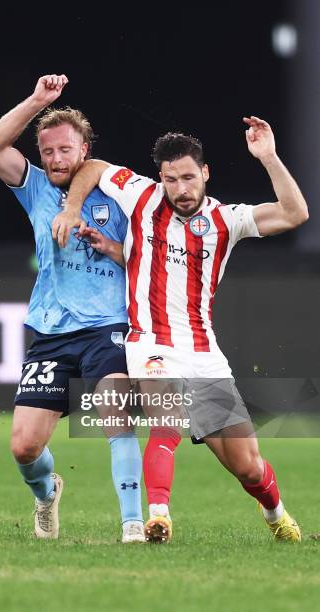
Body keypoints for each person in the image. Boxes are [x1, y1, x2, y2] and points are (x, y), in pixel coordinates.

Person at [52, 115, 308, 543]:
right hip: (149, 344)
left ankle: (277, 514)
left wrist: (269, 158)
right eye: (171, 179)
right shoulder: (141, 196)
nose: (181, 188)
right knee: (166, 423)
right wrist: (72, 208)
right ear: (161, 178)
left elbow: (295, 213)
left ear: (205, 173)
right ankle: (159, 517)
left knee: (246, 464)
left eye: (189, 177)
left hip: (204, 353)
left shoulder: (227, 220)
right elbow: (93, 167)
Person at [0, 74, 144, 543]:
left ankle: (133, 523)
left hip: (108, 326)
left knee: (116, 415)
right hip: (52, 331)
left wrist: (112, 246)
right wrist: (36, 100)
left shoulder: (119, 193)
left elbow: (143, 255)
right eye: (48, 151)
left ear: (85, 149)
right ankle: (47, 490)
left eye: (65, 150)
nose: (55, 159)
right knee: (24, 447)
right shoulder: (34, 189)